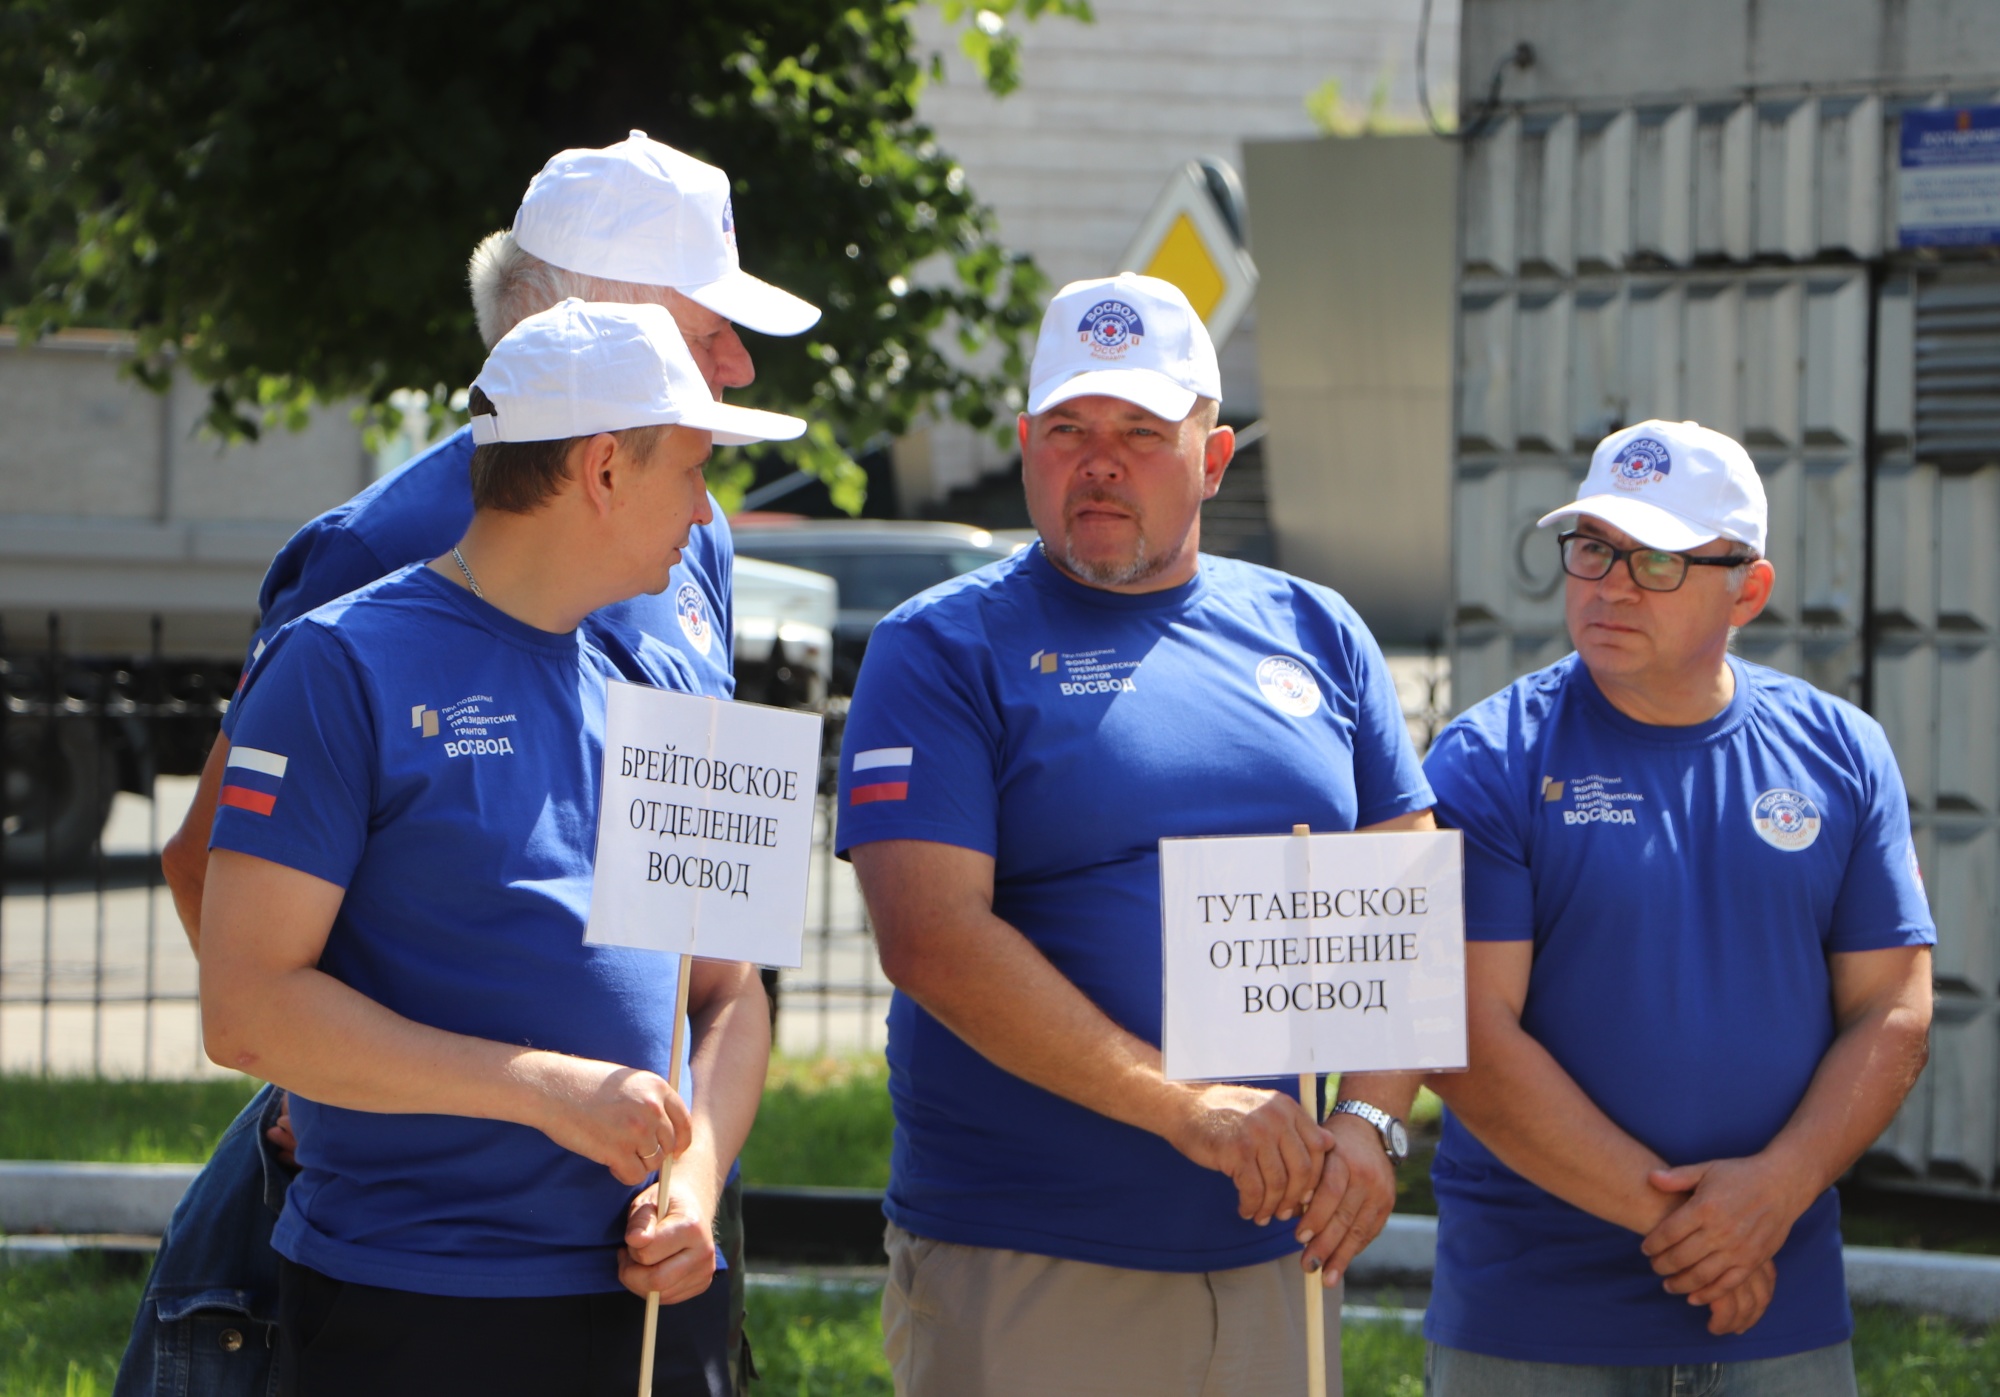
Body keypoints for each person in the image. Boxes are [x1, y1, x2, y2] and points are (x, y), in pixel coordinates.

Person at [122, 131, 819, 1397]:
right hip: (418, 1272)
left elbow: (718, 953)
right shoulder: (369, 571)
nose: (734, 365)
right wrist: (350, 1091)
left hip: (645, 1256)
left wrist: (695, 1174)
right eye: (703, 326)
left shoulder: (690, 545)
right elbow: (228, 911)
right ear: (586, 348)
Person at [836, 272, 1435, 1396]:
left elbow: (1399, 881)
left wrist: (1367, 1116)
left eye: (1139, 432)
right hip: (1029, 1255)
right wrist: (1187, 1107)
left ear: (1211, 459)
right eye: (1068, 428)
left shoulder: (1318, 631)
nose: (1097, 460)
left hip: (1278, 1248)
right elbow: (928, 938)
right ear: (1024, 446)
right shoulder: (940, 646)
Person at [1419, 420, 1937, 1394]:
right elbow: (1461, 1035)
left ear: (1746, 587)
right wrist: (1697, 1231)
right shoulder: (1488, 758)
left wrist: (1771, 1195)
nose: (1608, 583)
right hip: (1534, 1312)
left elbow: (1893, 1010)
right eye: (1590, 547)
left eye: (1654, 558)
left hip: (1776, 1304)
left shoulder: (1839, 750)